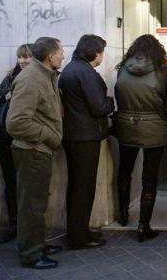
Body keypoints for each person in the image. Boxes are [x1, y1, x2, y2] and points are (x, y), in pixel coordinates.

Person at [6, 37, 65, 269]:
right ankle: (31, 254)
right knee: (31, 205)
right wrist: (49, 136)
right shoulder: (31, 79)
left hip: (39, 151)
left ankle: (36, 244)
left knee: (37, 203)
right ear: (50, 56)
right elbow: (17, 123)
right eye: (60, 52)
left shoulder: (45, 75)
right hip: (32, 151)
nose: (63, 55)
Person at [59, 35, 114, 250]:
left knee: (76, 187)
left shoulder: (70, 69)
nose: (102, 56)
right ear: (94, 52)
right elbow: (99, 107)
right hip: (85, 137)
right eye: (101, 51)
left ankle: (78, 230)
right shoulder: (86, 73)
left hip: (73, 135)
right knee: (84, 187)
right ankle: (79, 237)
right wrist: (110, 101)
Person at [114, 34, 167, 242]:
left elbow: (118, 96)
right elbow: (166, 100)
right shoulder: (159, 73)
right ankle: (143, 226)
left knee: (124, 171)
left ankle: (123, 215)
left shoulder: (122, 69)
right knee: (149, 177)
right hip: (153, 126)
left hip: (126, 125)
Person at [0, 43, 33, 244]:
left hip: (25, 137)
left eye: (26, 57)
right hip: (4, 137)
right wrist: (7, 95)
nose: (22, 61)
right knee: (10, 183)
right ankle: (14, 224)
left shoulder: (39, 77)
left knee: (28, 184)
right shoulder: (10, 77)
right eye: (20, 57)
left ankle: (28, 227)